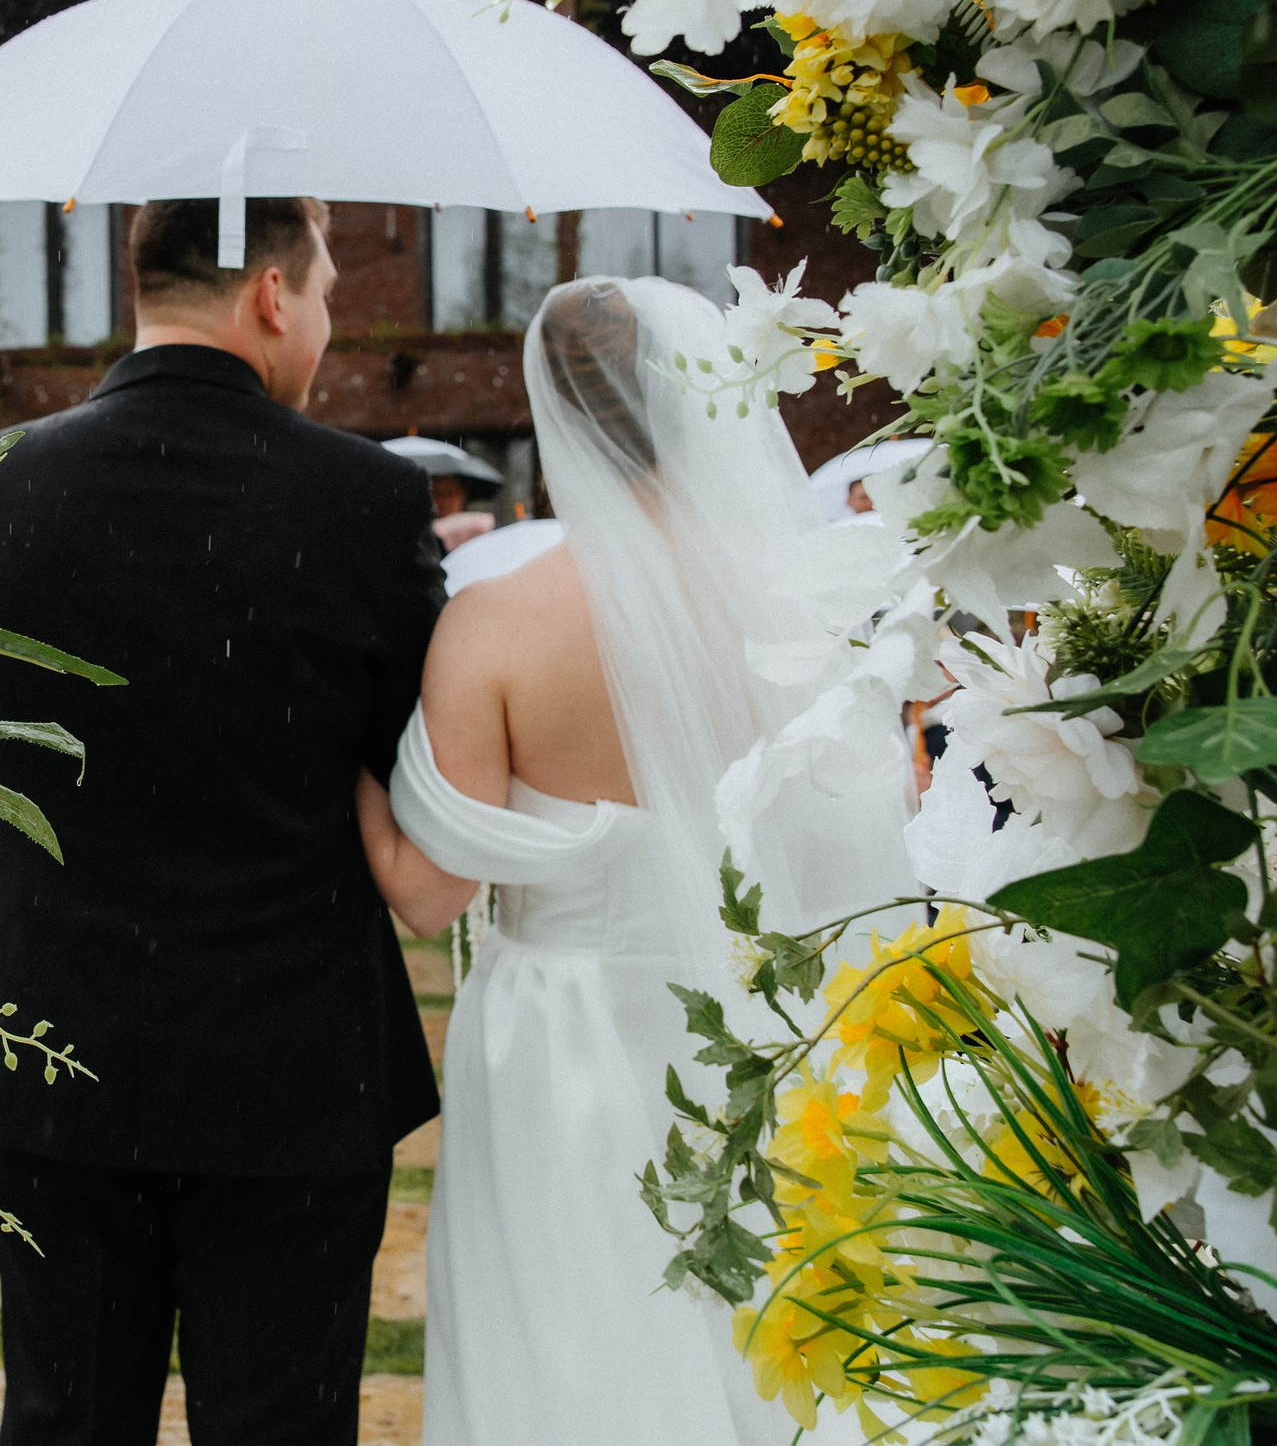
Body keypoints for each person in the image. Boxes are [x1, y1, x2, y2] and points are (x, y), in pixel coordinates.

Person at [0, 196, 444, 1446]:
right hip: (290, 1063)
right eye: (332, 291)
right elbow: (415, 773)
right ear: (271, 295)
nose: (327, 325)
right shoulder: (367, 501)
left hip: (47, 1049)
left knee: (67, 1421)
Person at [351, 277, 912, 1446]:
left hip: (564, 1043)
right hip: (767, 1034)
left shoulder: (496, 625)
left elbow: (426, 894)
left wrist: (331, 766)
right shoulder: (809, 602)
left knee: (561, 1341)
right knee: (761, 1332)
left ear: (551, 414)